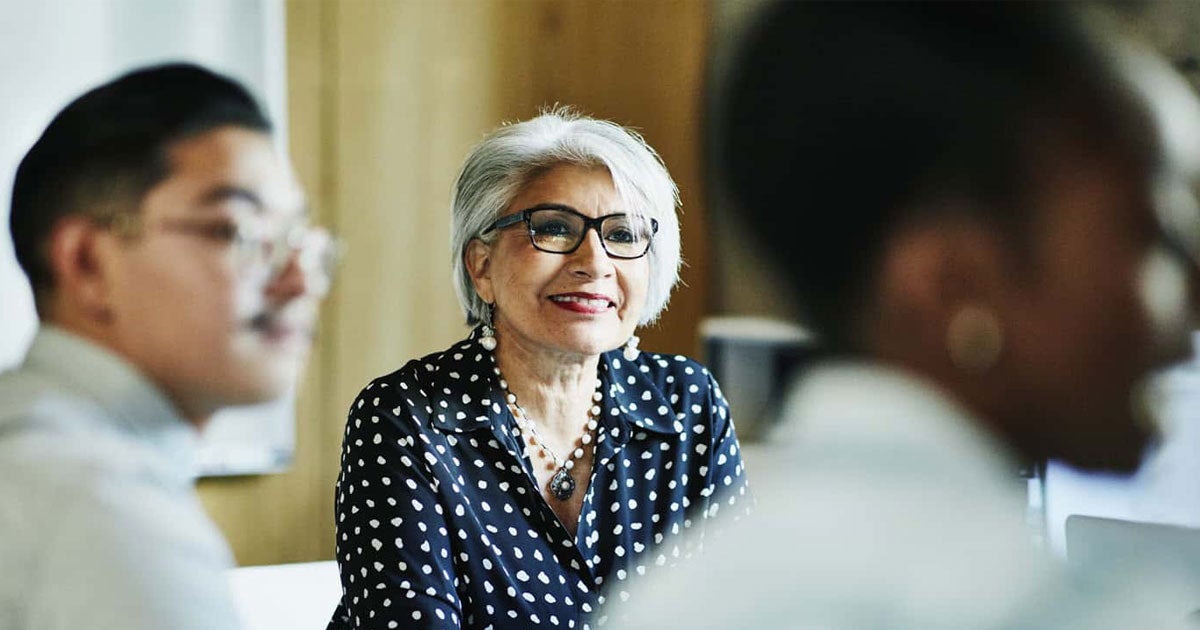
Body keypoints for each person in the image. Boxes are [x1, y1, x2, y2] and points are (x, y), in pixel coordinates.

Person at [611, 1, 1200, 628]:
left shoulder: (679, 597)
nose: (1194, 298)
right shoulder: (1054, 609)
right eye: (1156, 237)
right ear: (954, 285)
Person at [326, 106, 751, 630]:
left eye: (622, 234)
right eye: (553, 228)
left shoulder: (688, 403)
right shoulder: (406, 419)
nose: (595, 262)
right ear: (481, 265)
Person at [0, 62, 336, 629]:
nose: (299, 280)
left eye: (298, 239)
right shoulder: (102, 508)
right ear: (87, 262)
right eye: (239, 232)